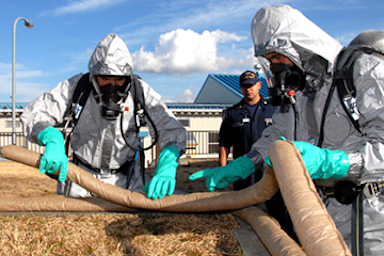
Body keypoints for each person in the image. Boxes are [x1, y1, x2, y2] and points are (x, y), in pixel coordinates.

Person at [190, 5, 384, 255]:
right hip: (318, 210)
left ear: (299, 47)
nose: (274, 68)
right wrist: (246, 163)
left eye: (277, 57)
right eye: (269, 61)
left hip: (370, 215)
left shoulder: (362, 71)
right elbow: (275, 136)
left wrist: (332, 162)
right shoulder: (298, 93)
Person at [21, 33, 187, 200]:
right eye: (105, 78)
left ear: (128, 79)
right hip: (80, 178)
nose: (111, 86)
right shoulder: (76, 88)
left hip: (128, 178)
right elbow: (34, 114)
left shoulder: (140, 91)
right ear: (94, 78)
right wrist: (50, 137)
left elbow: (169, 127)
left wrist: (168, 159)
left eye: (118, 79)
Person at [218, 70, 275, 190]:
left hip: (270, 169)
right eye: (244, 86)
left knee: (274, 206)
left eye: (251, 85)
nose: (248, 89)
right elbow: (224, 144)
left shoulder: (273, 109)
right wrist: (222, 170)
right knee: (244, 206)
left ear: (259, 85)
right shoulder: (232, 113)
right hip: (243, 171)